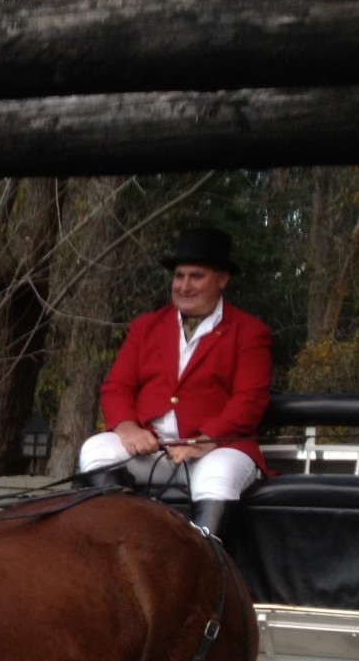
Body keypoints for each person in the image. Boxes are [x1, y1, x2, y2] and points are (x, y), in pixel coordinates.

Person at [77, 226, 272, 537]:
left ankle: (203, 571)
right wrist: (128, 430)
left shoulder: (249, 331)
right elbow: (117, 388)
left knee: (217, 474)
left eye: (196, 276)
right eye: (179, 276)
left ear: (222, 280)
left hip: (218, 449)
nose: (184, 286)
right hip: (153, 449)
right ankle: (124, 549)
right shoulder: (146, 327)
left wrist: (205, 440)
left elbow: (249, 400)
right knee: (97, 450)